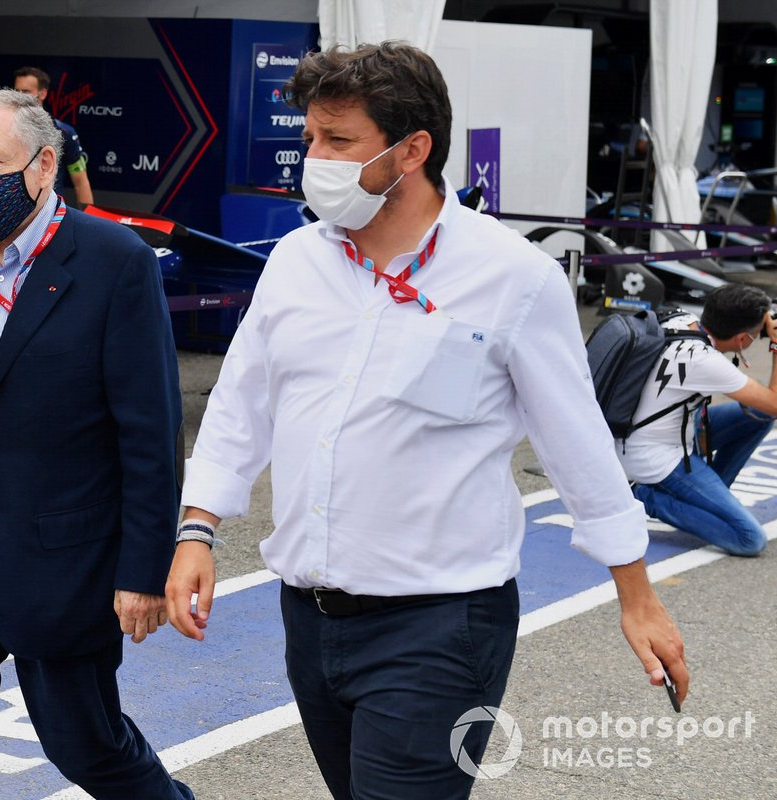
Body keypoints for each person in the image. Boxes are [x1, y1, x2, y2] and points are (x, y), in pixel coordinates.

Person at [164, 42, 687, 800]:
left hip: (441, 629)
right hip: (307, 619)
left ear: (412, 149)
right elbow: (242, 404)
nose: (315, 159)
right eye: (310, 138)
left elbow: (577, 443)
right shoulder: (296, 259)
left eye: (339, 141)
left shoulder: (513, 278)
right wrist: (197, 531)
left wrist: (635, 592)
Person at [0, 88, 191, 799]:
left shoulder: (115, 262)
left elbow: (149, 433)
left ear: (45, 164)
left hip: (62, 556)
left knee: (86, 743)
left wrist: (142, 569)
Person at [621, 283, 777, 556]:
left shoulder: (681, 319)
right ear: (742, 339)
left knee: (758, 415)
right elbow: (774, 404)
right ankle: (644, 496)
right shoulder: (704, 361)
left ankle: (713, 489)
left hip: (645, 431)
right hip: (654, 457)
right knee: (749, 538)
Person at [13, 66, 95, 207]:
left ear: (42, 94)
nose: (19, 97)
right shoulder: (3, 130)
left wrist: (89, 222)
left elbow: (81, 182)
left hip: (50, 214)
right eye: (16, 91)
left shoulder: (64, 132)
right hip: (11, 213)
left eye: (26, 92)